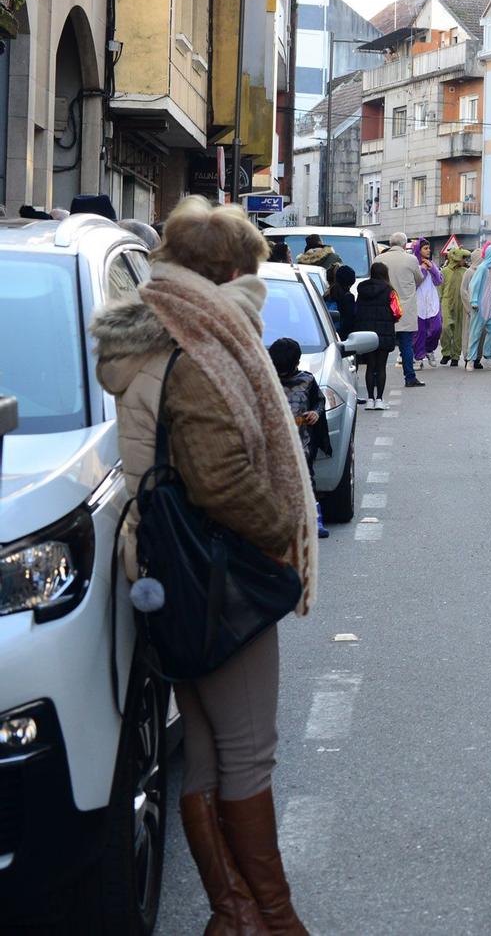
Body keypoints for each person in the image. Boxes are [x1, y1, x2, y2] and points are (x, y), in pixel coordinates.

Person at [90, 196, 317, 934]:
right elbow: (219, 477)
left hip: (174, 571)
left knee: (213, 754)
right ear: (222, 273)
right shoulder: (196, 347)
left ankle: (235, 914)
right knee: (249, 754)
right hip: (218, 575)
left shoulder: (158, 335)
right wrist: (280, 526)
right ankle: (273, 920)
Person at [270, 338, 331, 539]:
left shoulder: (307, 380)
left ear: (296, 363)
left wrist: (315, 413)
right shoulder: (265, 381)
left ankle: (314, 520)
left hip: (302, 439)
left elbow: (319, 401)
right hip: (273, 439)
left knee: (306, 479)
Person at [376, 232, 424, 387]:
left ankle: (376, 376)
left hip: (385, 306)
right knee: (406, 344)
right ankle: (410, 377)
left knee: (380, 346)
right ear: (404, 245)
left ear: (390, 244)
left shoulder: (379, 259)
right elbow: (419, 279)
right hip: (405, 307)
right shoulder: (411, 259)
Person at [349, 263, 398, 408]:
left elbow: (357, 310)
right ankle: (380, 400)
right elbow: (397, 312)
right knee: (381, 366)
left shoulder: (362, 290)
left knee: (370, 366)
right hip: (384, 331)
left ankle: (370, 399)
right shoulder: (389, 290)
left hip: (366, 333)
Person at [465, 242, 491, 368]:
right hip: (479, 308)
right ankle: (470, 360)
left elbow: (488, 289)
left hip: (488, 308)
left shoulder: (487, 269)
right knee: (475, 333)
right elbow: (473, 285)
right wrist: (474, 301)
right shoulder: (481, 269)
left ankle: (487, 357)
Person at [412, 239, 444, 367]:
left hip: (432, 302)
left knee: (437, 329)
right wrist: (423, 270)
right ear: (418, 250)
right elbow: (414, 284)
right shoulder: (414, 265)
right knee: (419, 332)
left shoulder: (432, 264)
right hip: (418, 302)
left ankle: (429, 350)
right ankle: (419, 358)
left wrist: (432, 269)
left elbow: (439, 281)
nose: (428, 250)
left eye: (429, 248)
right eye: (425, 248)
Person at [439, 245, 472, 366]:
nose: (465, 260)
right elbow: (440, 288)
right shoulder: (444, 271)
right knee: (445, 327)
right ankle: (446, 352)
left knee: (459, 330)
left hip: (461, 303)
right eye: (463, 258)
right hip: (446, 302)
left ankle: (455, 356)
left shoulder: (465, 272)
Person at [323, 264, 358, 339]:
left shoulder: (327, 295)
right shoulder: (348, 297)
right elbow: (349, 322)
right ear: (351, 281)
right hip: (342, 338)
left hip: (327, 334)